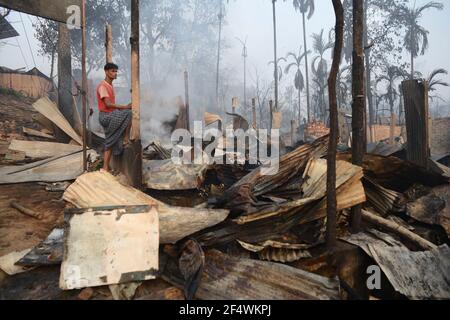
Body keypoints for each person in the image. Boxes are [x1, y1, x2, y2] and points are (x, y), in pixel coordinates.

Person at [96, 63, 132, 172]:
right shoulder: (103, 86)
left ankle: (106, 167)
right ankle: (126, 138)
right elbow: (107, 104)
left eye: (116, 71)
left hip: (110, 115)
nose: (115, 73)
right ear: (106, 72)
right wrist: (124, 107)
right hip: (106, 116)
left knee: (113, 140)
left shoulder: (110, 86)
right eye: (113, 71)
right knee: (128, 113)